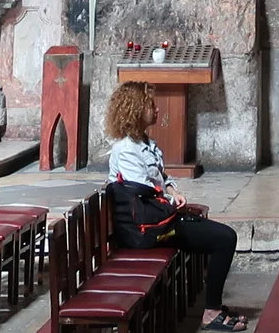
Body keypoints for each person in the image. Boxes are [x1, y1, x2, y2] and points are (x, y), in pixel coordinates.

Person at [103, 82, 250, 331]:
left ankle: (212, 303)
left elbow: (160, 178)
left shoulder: (144, 143)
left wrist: (173, 190)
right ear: (136, 109)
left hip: (158, 220)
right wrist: (170, 199)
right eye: (150, 104)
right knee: (225, 238)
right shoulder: (126, 150)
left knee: (217, 234)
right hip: (145, 230)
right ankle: (211, 312)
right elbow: (142, 192)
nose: (157, 109)